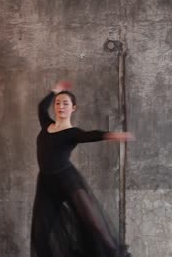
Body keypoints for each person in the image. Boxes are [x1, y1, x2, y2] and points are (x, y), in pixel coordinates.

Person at [31, 81, 133, 257]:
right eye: (57, 103)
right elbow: (41, 107)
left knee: (93, 223)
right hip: (46, 184)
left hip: (67, 180)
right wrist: (55, 90)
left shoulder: (73, 133)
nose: (61, 106)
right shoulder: (46, 124)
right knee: (41, 233)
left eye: (65, 103)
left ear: (73, 108)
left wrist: (110, 135)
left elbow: (89, 135)